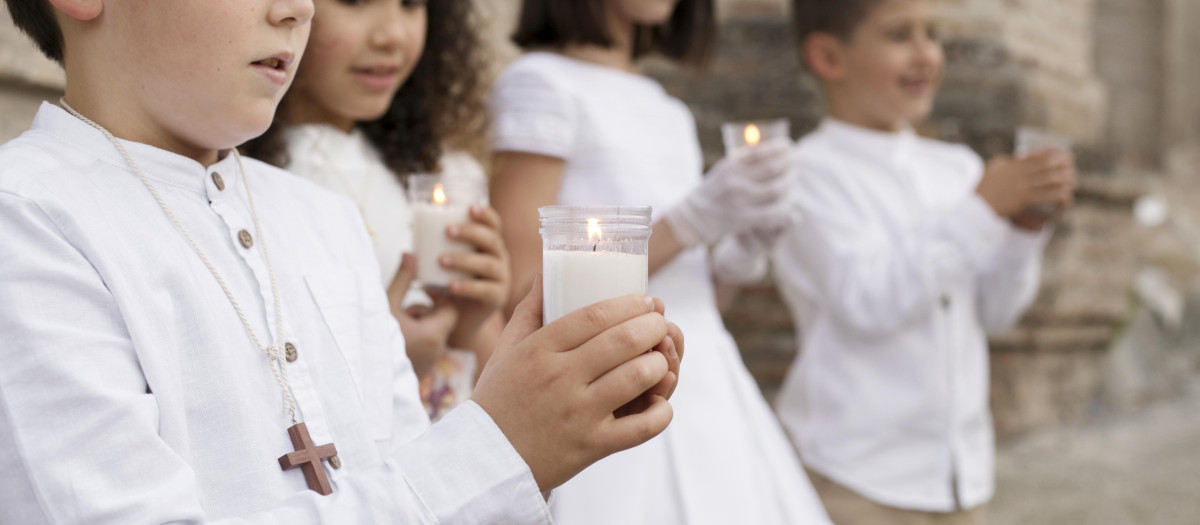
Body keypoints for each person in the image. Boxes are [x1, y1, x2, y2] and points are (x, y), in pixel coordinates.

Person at [0, 0, 682, 522]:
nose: (295, 9)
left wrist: (538, 414)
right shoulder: (27, 217)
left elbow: (404, 467)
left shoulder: (320, 216)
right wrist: (496, 443)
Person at [714, 0, 1077, 522]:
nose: (927, 54)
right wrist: (984, 208)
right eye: (899, 35)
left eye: (932, 34)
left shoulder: (957, 168)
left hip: (959, 476)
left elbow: (995, 312)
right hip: (856, 479)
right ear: (829, 57)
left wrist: (1024, 231)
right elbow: (868, 301)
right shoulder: (808, 173)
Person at [489, 1, 830, 523]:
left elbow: (688, 300)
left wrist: (739, 252)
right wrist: (692, 220)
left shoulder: (668, 109)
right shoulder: (541, 83)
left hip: (709, 387)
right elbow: (523, 289)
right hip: (612, 389)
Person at [242, 0, 500, 421]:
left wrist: (471, 323)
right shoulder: (237, 178)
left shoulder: (444, 175)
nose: (392, 35)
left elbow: (499, 387)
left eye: (412, 4)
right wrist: (385, 359)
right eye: (356, 2)